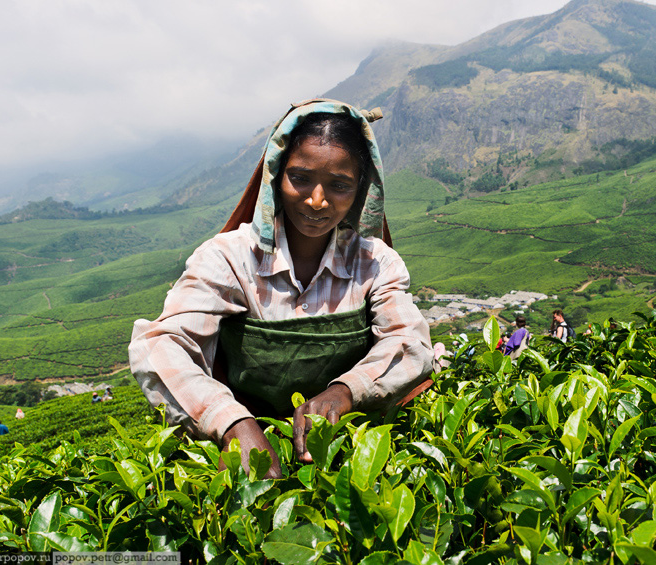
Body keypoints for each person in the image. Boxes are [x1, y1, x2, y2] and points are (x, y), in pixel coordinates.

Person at [129, 99, 434, 479]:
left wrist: (347, 391)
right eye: (301, 178)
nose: (317, 200)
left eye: (339, 185)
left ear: (360, 191)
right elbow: (160, 345)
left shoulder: (375, 263)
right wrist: (231, 423)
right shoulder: (229, 258)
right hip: (246, 460)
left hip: (347, 459)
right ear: (275, 177)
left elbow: (410, 343)